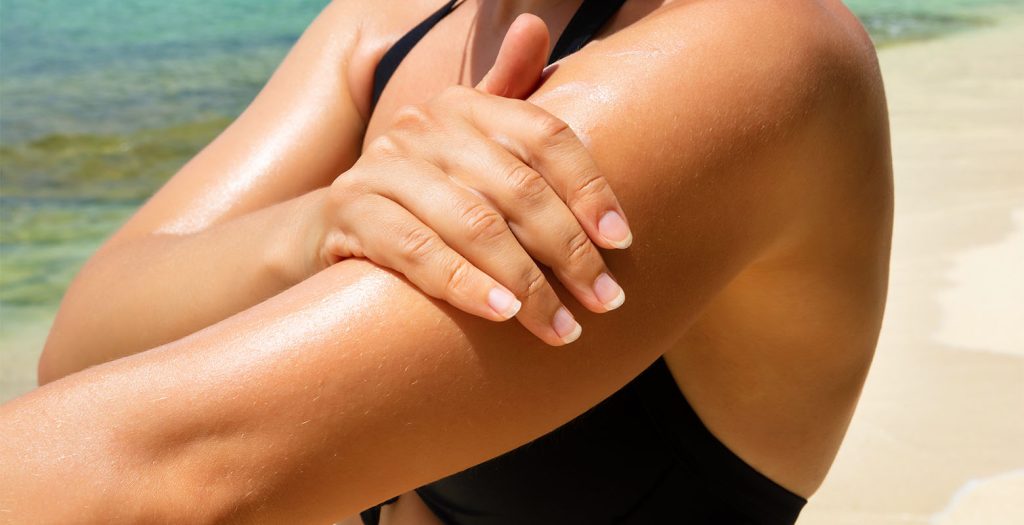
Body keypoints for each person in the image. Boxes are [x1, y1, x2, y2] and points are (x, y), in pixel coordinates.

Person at [1, 0, 893, 523]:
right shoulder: (389, 24)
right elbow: (78, 346)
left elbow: (179, 469)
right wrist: (317, 225)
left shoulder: (751, 50)